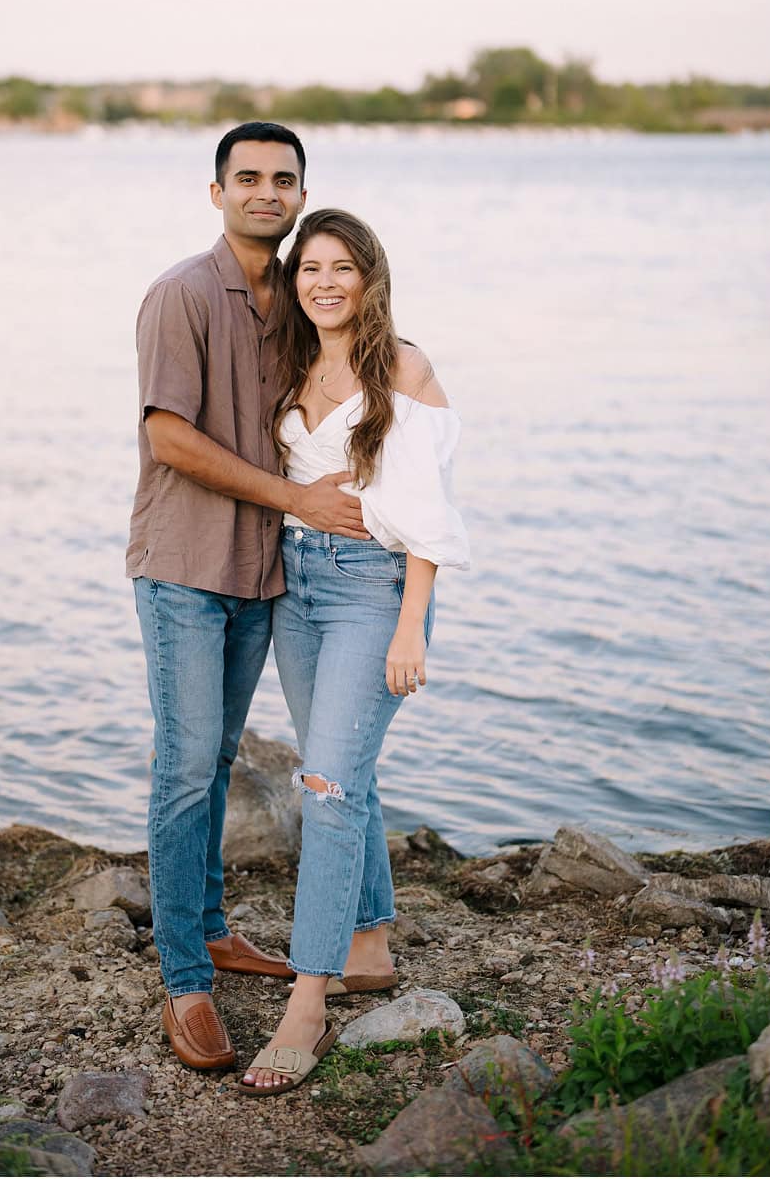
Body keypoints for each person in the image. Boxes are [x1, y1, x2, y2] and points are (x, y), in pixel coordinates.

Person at [127, 123, 372, 1074]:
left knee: (220, 757)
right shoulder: (182, 293)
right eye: (250, 177)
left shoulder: (297, 299)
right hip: (186, 567)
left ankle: (217, 928)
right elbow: (168, 440)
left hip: (262, 571)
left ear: (301, 190)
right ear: (217, 190)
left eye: (285, 178)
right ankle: (186, 982)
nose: (267, 191)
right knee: (186, 768)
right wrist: (300, 501)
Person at [236, 209, 469, 1094]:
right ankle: (368, 944)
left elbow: (429, 512)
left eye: (342, 268)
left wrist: (412, 624)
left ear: (370, 278)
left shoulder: (402, 366)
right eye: (310, 268)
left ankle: (308, 1001)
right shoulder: (293, 361)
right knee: (342, 773)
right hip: (300, 585)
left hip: (376, 589)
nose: (324, 282)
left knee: (326, 789)